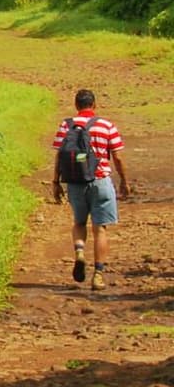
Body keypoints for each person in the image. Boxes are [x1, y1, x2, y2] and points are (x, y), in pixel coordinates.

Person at [51, 89, 132, 289]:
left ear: (76, 106)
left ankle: (79, 252)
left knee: (79, 223)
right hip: (101, 181)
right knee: (100, 229)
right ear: (94, 105)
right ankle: (98, 275)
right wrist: (124, 181)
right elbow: (118, 157)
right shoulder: (106, 126)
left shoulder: (66, 125)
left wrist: (56, 182)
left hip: (75, 182)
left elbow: (59, 156)